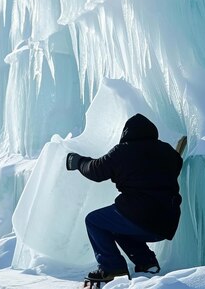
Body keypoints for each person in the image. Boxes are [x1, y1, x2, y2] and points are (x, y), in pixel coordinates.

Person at [66, 113, 184, 283]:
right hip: (167, 221)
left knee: (93, 221)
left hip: (139, 214)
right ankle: (147, 263)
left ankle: (112, 268)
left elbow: (95, 170)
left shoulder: (123, 151)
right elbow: (175, 164)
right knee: (118, 226)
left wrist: (78, 162)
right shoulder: (167, 151)